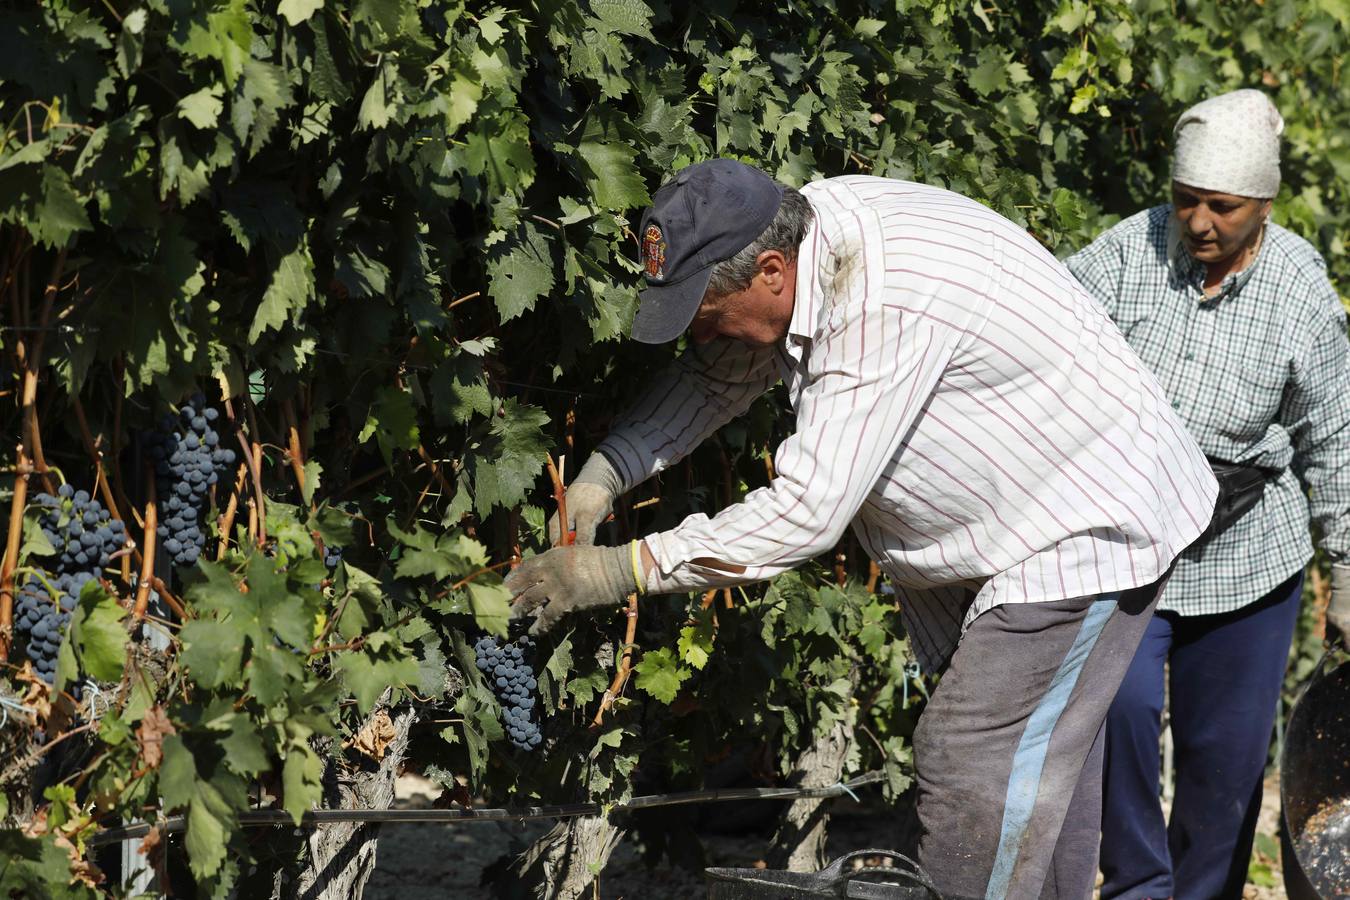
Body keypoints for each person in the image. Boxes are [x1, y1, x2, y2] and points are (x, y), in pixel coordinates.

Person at [505, 157, 1218, 897]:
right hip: (1007, 530)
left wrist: (618, 570)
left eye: (706, 317)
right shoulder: (805, 244)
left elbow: (807, 512)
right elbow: (716, 377)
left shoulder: (878, 299)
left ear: (771, 271)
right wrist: (606, 472)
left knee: (973, 760)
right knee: (1030, 786)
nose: (702, 336)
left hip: (1081, 525)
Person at [1065, 88, 1350, 900]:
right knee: (1113, 717)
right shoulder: (1128, 252)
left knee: (1224, 758)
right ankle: (1135, 889)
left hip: (1247, 551)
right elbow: (1048, 337)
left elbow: (1336, 439)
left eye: (1221, 206)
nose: (1198, 223)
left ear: (1263, 202)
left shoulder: (1299, 291)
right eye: (1185, 200)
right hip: (1130, 538)